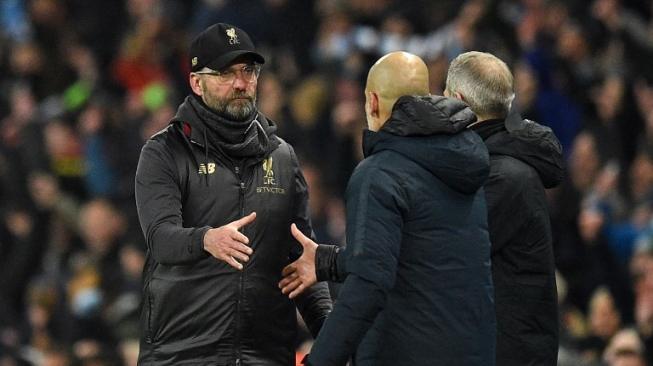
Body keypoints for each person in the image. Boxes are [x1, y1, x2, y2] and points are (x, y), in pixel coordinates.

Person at [281, 51, 565, 365]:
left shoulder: (493, 176)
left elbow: (408, 258)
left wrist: (326, 262)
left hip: (507, 352)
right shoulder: (468, 166)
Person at [134, 23, 332, 365]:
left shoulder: (282, 157)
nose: (242, 83)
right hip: (183, 355)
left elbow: (301, 261)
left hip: (266, 355)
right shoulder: (164, 152)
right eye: (226, 73)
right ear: (197, 82)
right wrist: (206, 240)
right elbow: (161, 239)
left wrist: (333, 341)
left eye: (248, 71)